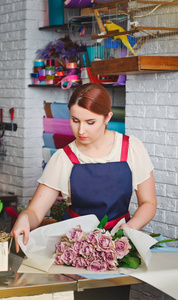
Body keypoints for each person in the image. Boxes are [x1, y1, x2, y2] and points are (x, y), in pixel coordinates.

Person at [11, 83, 157, 253]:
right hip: (75, 247)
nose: (81, 130)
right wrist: (24, 218)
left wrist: (128, 230)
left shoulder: (131, 148)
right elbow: (35, 212)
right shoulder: (63, 158)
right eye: (75, 120)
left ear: (107, 118)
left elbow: (149, 202)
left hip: (121, 242)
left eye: (90, 122)